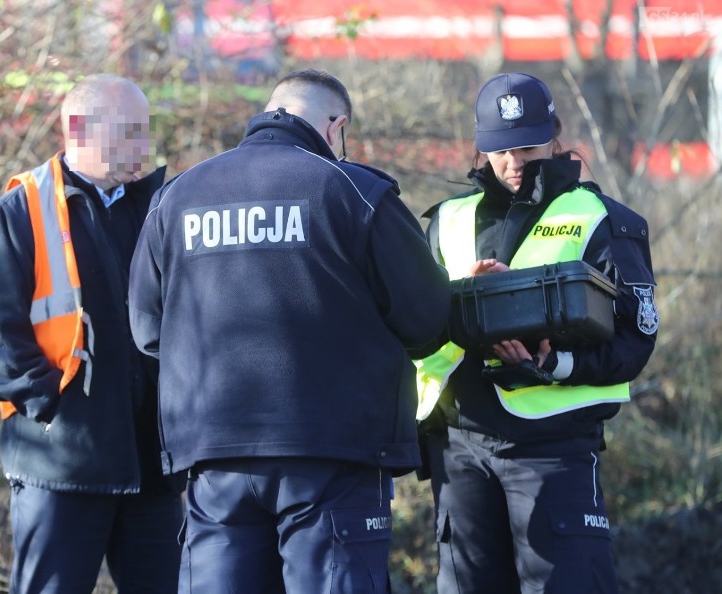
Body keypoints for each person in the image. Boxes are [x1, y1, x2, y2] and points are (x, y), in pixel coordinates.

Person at [128, 68, 451, 593]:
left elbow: (147, 330)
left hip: (214, 457)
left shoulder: (176, 197)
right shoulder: (355, 191)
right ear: (335, 126)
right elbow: (427, 319)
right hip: (334, 455)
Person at [415, 72, 659, 593]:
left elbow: (634, 342)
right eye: (500, 150)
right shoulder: (446, 221)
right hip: (460, 447)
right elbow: (413, 326)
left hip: (555, 452)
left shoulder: (601, 221)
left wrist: (556, 363)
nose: (514, 162)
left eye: (527, 146)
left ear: (554, 135)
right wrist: (465, 303)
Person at [0, 73, 183, 593]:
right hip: (59, 465)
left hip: (151, 465)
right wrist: (51, 406)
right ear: (78, 130)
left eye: (144, 131)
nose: (142, 146)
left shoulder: (160, 208)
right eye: (128, 131)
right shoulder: (21, 211)